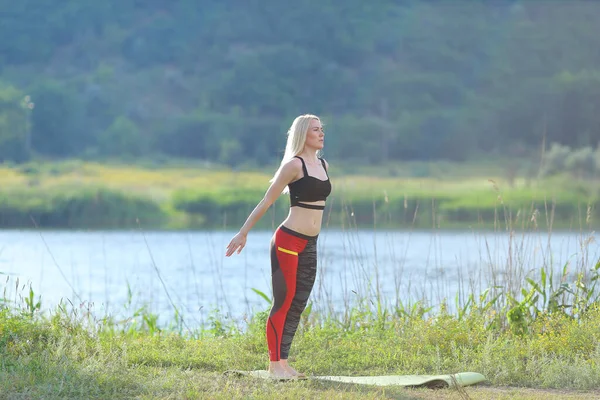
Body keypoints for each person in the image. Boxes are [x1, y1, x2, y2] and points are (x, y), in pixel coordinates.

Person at [225, 114, 331, 379]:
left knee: (298, 304)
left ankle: (284, 363)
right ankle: (274, 366)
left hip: (310, 243)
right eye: (315, 130)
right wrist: (243, 233)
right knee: (283, 302)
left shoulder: (323, 164)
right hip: (288, 240)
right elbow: (266, 201)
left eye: (322, 129)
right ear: (302, 135)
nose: (321, 134)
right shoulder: (293, 166)